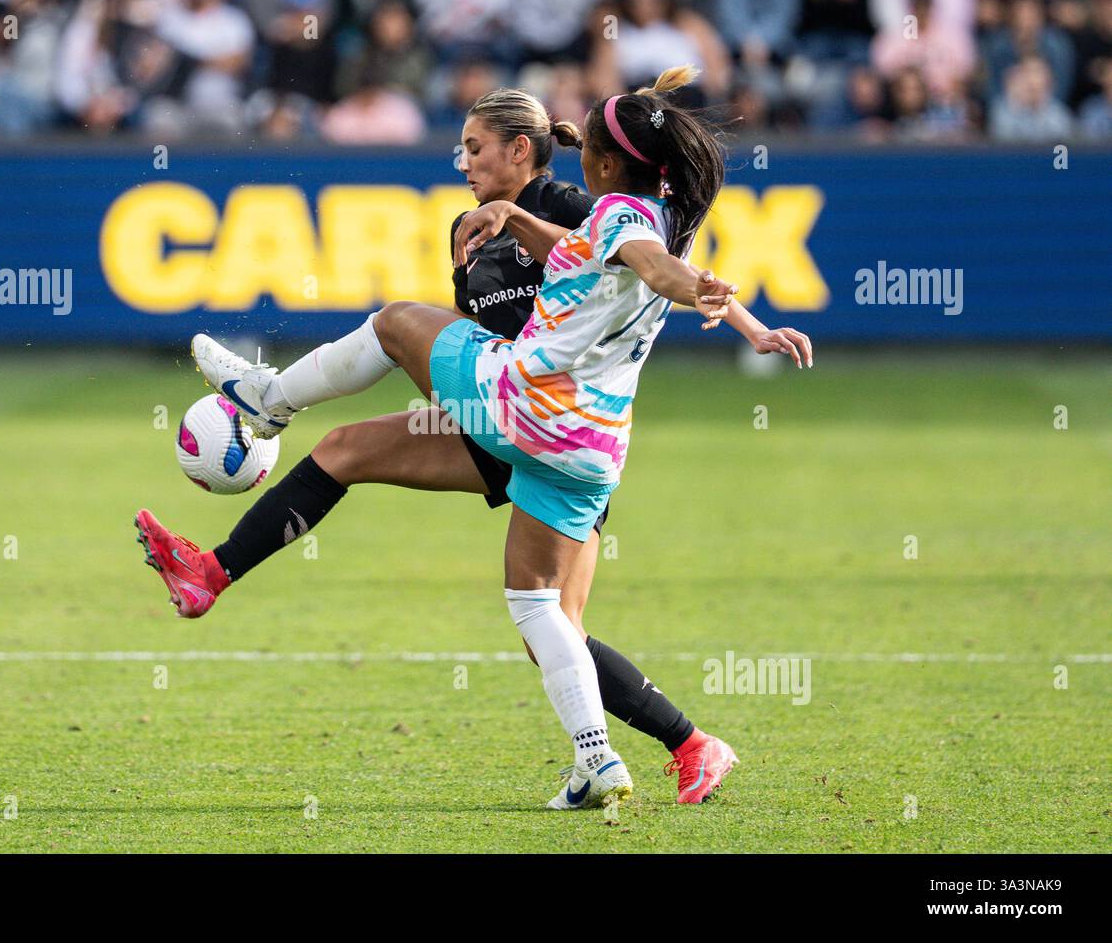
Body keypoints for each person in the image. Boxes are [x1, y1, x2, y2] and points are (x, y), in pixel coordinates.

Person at [142, 67, 814, 808]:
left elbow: (652, 267)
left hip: (519, 402)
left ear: (586, 159)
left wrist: (699, 293)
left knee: (397, 322)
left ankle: (265, 402)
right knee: (534, 610)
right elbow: (614, 255)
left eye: (474, 148)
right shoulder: (617, 215)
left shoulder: (607, 209)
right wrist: (746, 321)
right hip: (585, 447)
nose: (462, 163)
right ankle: (642, 754)